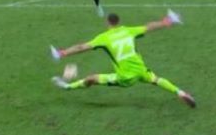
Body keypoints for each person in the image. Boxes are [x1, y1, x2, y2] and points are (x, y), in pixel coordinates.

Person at [50, 10, 197, 108]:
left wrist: (63, 53)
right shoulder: (128, 30)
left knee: (91, 79)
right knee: (156, 79)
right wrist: (166, 22)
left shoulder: (104, 38)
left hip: (125, 77)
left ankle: (67, 86)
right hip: (141, 69)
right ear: (118, 21)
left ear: (107, 23)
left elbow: (81, 47)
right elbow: (148, 27)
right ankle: (181, 92)